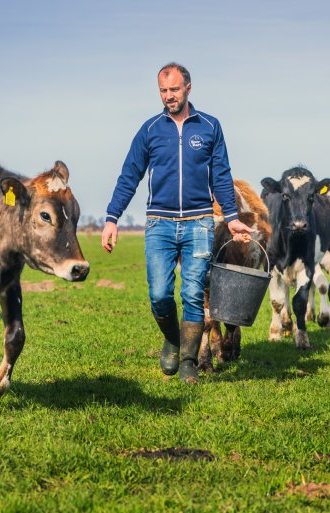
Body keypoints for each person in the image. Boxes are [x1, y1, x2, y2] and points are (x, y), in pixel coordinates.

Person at [101, 62, 254, 384]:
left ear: (188, 88)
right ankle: (173, 339)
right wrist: (112, 218)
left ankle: (188, 360)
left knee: (194, 293)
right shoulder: (150, 129)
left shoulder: (210, 127)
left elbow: (222, 176)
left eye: (174, 89)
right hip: (160, 223)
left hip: (199, 223)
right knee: (159, 294)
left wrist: (232, 217)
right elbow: (130, 175)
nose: (168, 96)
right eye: (163, 90)